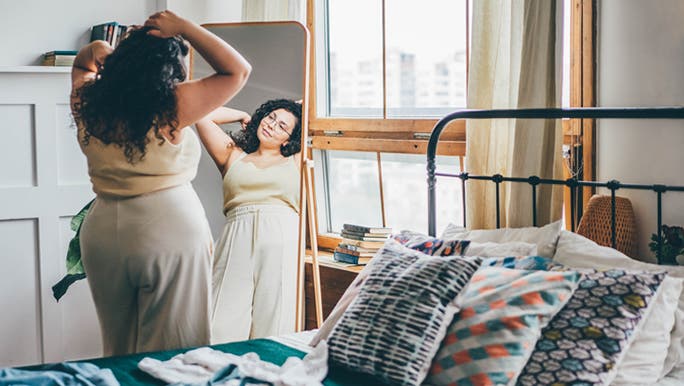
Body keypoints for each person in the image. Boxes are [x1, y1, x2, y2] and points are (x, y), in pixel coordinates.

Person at [70, 10, 251, 355]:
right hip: (167, 227)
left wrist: (106, 51)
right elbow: (237, 70)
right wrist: (183, 27)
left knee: (118, 346)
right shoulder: (170, 105)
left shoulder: (90, 100)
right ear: (170, 70)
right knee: (174, 349)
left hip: (104, 230)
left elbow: (84, 62)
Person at [194, 99, 302, 343]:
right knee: (218, 324)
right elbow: (202, 113)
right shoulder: (233, 154)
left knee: (275, 324)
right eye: (270, 117)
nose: (272, 125)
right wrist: (243, 114)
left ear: (289, 139)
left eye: (282, 126)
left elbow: (316, 112)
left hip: (282, 236)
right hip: (236, 234)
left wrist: (297, 108)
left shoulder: (296, 160)